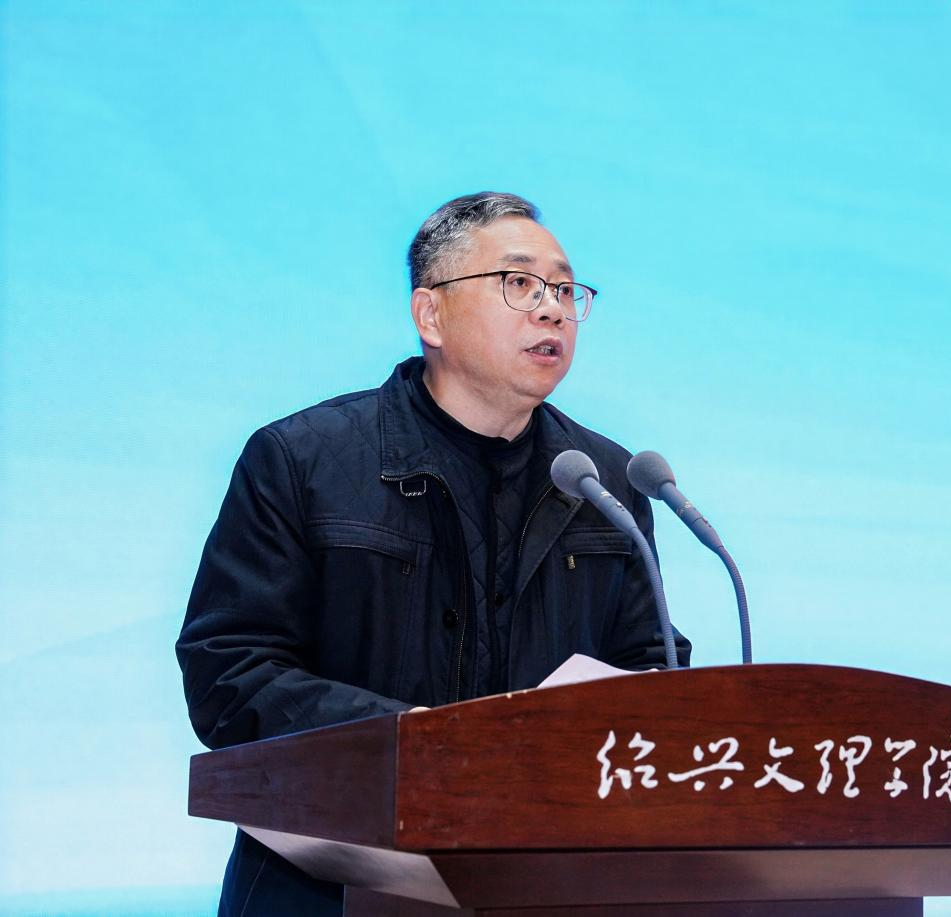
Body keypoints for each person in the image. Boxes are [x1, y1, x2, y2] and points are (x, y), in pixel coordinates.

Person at [176, 192, 690, 916]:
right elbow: (229, 672)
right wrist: (418, 742)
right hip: (332, 885)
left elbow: (651, 667)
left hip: (544, 886)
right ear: (431, 315)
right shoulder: (301, 460)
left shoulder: (604, 480)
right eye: (519, 283)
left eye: (565, 290)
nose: (552, 310)